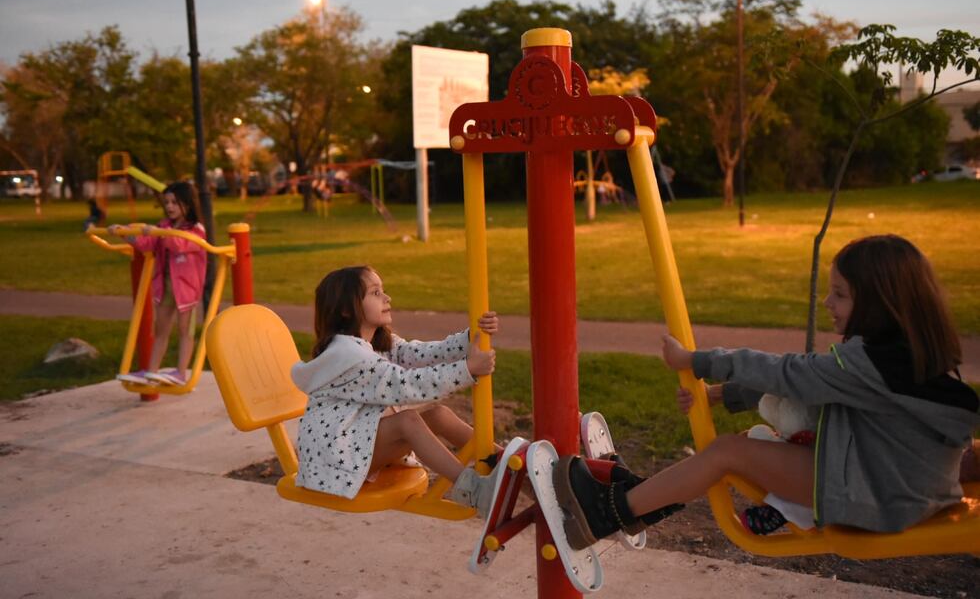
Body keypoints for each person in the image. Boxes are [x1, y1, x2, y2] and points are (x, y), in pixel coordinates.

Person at [554, 234, 979, 550]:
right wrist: (726, 396)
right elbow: (814, 393)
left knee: (726, 454)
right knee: (740, 448)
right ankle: (642, 501)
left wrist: (697, 361)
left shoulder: (869, 363)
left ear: (881, 303)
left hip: (877, 501)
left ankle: (608, 511)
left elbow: (788, 373)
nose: (827, 301)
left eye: (841, 294)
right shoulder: (915, 358)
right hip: (906, 494)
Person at [290, 265, 508, 516]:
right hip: (335, 458)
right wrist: (467, 369)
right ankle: (475, 491)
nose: (386, 297)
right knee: (407, 421)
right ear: (346, 309)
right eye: (375, 293)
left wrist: (471, 338)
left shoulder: (375, 343)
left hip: (356, 444)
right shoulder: (348, 356)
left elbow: (422, 354)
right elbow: (405, 385)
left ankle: (503, 463)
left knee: (438, 415)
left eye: (383, 291)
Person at [110, 181, 207, 386]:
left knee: (184, 330)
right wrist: (124, 233)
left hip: (187, 291)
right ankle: (151, 372)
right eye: (167, 202)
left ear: (187, 205)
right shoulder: (164, 226)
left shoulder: (196, 229)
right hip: (165, 287)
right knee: (160, 330)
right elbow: (147, 243)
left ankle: (181, 372)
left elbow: (180, 244)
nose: (170, 206)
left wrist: (158, 232)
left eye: (174, 202)